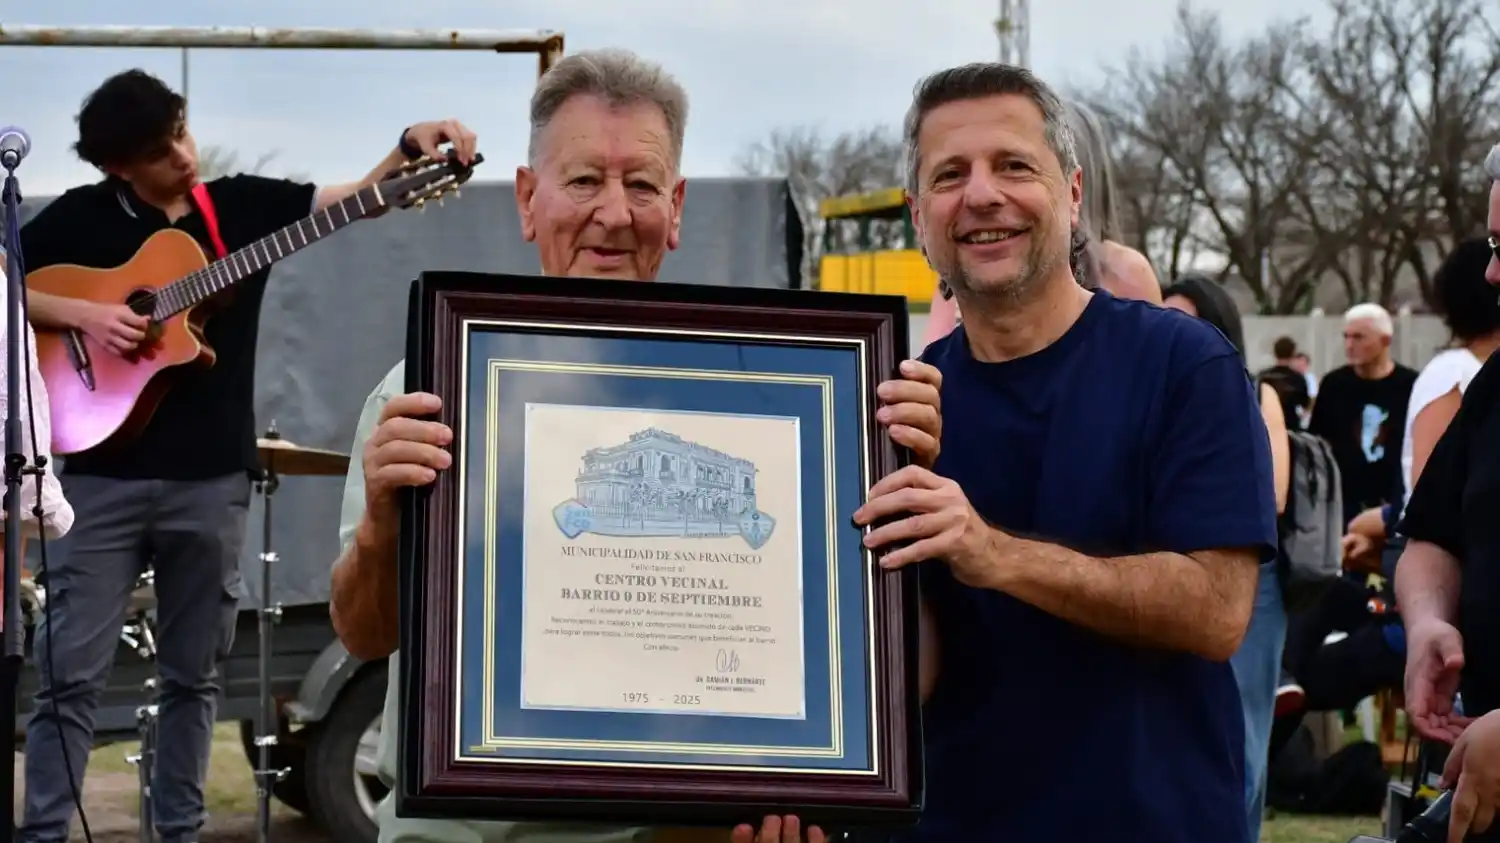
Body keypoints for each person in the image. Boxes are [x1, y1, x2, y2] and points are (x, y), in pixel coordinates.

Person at [776, 61, 1276, 843]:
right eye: (950, 175)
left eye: (1014, 165)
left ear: (1072, 194)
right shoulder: (891, 411)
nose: (981, 195)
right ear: (918, 215)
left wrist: (995, 553)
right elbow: (902, 665)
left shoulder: (1185, 364)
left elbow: (1217, 612)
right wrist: (783, 771)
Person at [14, 68, 478, 843]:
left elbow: (359, 196)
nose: (184, 156)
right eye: (161, 151)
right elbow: (5, 276)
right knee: (68, 678)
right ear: (116, 166)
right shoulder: (77, 220)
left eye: (183, 133)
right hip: (96, 479)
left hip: (211, 480)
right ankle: (43, 833)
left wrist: (406, 153)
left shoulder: (237, 208)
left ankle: (180, 833)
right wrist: (88, 315)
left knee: (195, 678)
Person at [1391, 142, 1500, 843]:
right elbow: (1431, 535)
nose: (1491, 271)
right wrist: (1429, 620)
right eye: (1494, 243)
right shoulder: (1493, 389)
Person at [1162, 275, 1289, 843]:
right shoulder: (1154, 392)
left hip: (1250, 580)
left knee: (1246, 734)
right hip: (1172, 575)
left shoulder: (1254, 393)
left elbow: (1273, 494)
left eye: (1189, 320)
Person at [920, 98, 1160, 346]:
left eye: (1016, 166)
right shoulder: (963, 273)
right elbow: (933, 363)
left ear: (1075, 184)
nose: (982, 195)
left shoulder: (1123, 271)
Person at [1308, 302, 1418, 526]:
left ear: (1385, 340)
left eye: (1359, 337)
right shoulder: (1334, 385)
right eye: (1346, 337)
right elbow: (1316, 443)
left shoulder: (1411, 385)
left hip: (1394, 504)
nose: (1349, 345)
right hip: (1341, 504)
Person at [1258, 335, 1313, 430]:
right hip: (1291, 427)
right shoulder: (1297, 378)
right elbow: (1305, 404)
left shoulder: (1263, 376)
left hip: (1266, 425)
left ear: (1275, 353)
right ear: (1293, 353)